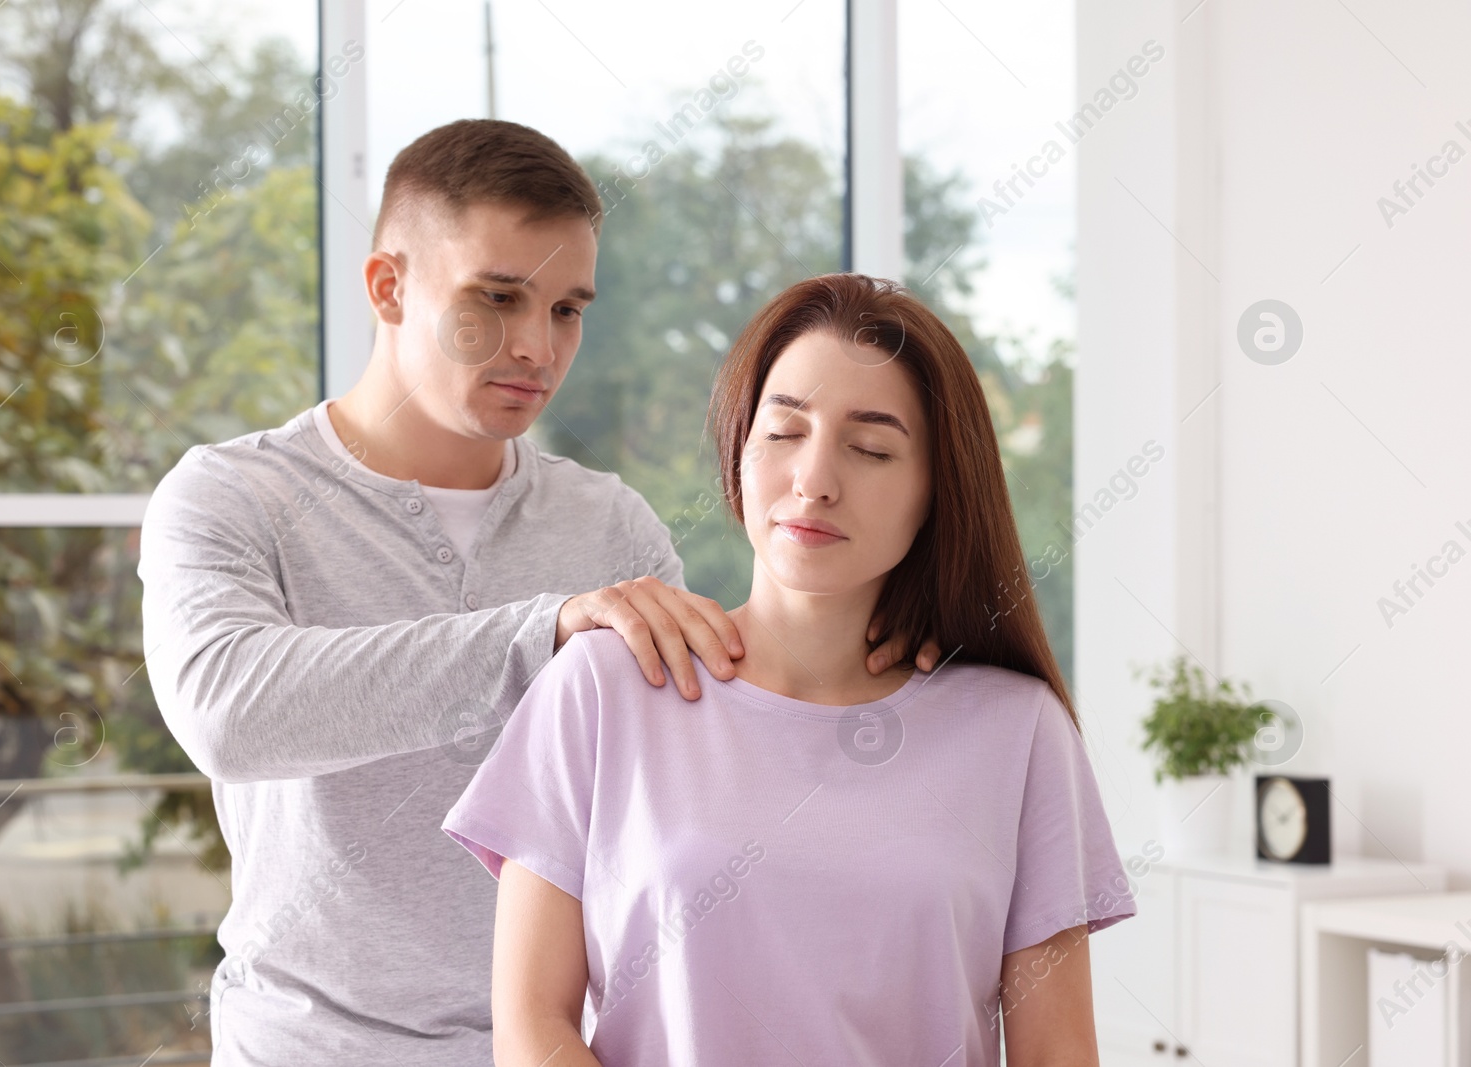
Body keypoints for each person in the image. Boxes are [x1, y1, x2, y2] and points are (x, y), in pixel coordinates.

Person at [138, 121, 934, 1064]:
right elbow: (231, 713)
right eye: (498, 298)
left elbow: (697, 771)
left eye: (567, 309)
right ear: (389, 287)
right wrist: (544, 635)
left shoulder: (613, 528)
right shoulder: (234, 494)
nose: (535, 345)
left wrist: (885, 681)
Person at [442, 273, 1137, 1066]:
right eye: (783, 432)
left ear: (936, 492)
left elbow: (1058, 1053)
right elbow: (533, 1028)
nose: (814, 479)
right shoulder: (602, 687)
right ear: (741, 448)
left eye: (871, 448)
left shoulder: (1018, 732)